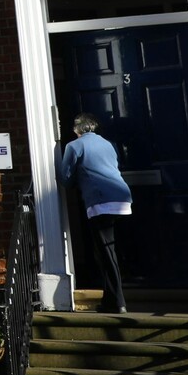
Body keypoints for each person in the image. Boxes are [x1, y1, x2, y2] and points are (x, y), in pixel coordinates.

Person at [58, 112, 133, 314]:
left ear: (77, 129)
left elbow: (65, 178)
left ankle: (119, 302)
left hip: (101, 201)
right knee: (107, 251)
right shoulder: (107, 144)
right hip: (123, 198)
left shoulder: (74, 146)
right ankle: (110, 300)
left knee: (107, 254)